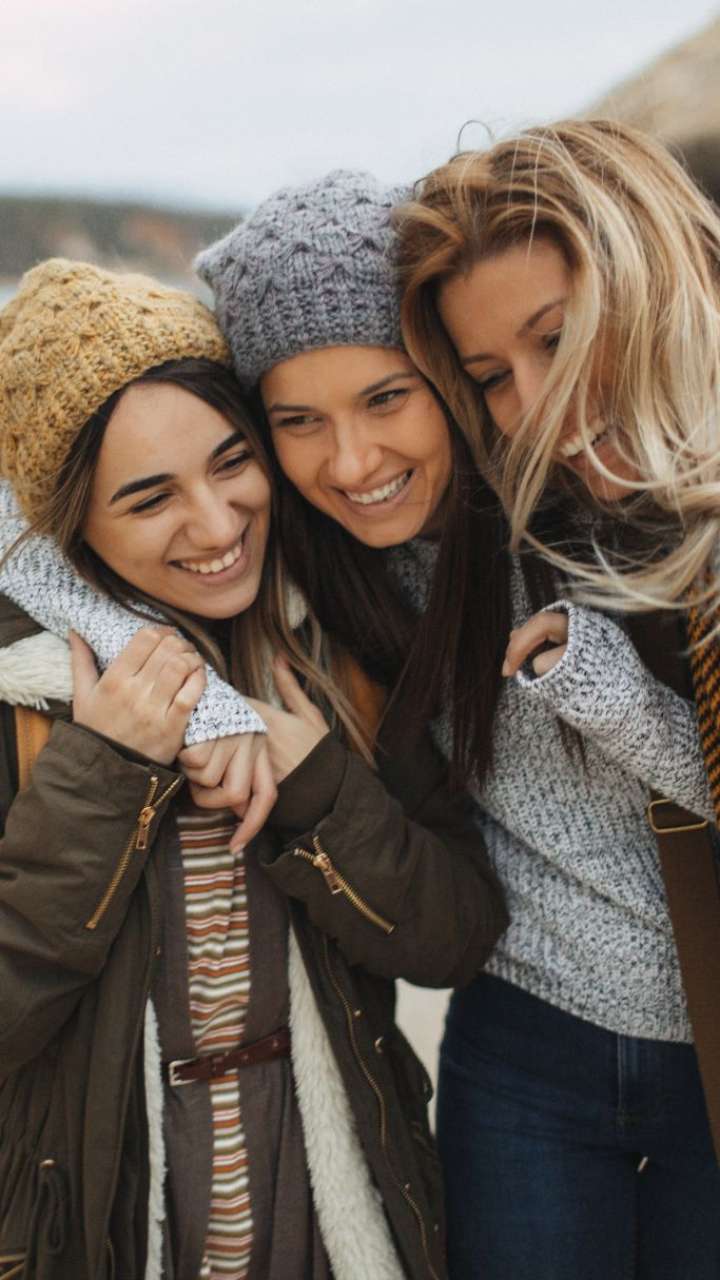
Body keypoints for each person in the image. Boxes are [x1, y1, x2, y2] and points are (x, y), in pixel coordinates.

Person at [192, 164, 720, 1279]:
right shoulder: (315, 575)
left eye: (388, 397)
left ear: (448, 377)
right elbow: (41, 520)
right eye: (298, 421)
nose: (354, 461)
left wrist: (614, 695)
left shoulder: (599, 500)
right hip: (524, 1052)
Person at [0, 259, 507, 1280]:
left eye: (233, 461)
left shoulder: (336, 645)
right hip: (98, 1227)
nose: (221, 523)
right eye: (149, 499)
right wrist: (104, 775)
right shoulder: (23, 697)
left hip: (329, 1212)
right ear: (71, 522)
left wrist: (320, 780)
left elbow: (455, 930)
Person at [390, 119, 720, 1278]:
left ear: (649, 278)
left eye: (558, 337)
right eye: (490, 375)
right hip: (525, 1053)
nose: (537, 404)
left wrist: (613, 699)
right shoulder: (462, 530)